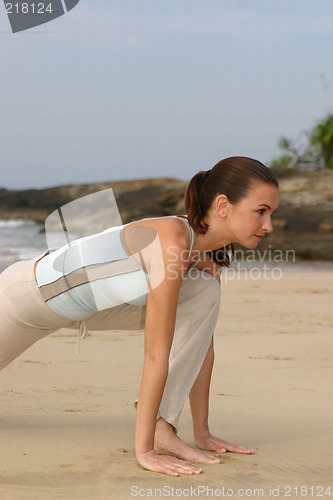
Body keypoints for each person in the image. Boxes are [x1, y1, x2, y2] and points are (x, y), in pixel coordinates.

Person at [0, 156, 280, 477]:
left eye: (272, 213)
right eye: (261, 211)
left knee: (205, 292)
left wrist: (202, 432)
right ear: (222, 205)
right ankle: (153, 435)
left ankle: (164, 426)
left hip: (92, 310)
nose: (269, 225)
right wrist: (143, 450)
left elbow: (201, 346)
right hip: (29, 298)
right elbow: (155, 354)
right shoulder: (171, 241)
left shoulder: (207, 257)